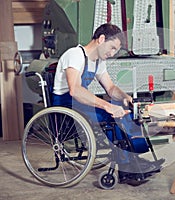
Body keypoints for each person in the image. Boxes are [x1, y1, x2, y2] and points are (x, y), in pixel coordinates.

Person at [52, 23, 164, 185]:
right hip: (66, 102)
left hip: (80, 101)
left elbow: (111, 88)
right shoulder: (75, 54)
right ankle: (126, 166)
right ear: (101, 39)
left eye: (115, 51)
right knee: (111, 114)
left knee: (127, 111)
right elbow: (75, 90)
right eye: (111, 48)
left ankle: (134, 157)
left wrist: (126, 98)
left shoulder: (98, 62)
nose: (112, 54)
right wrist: (107, 106)